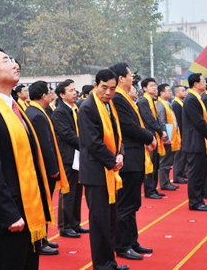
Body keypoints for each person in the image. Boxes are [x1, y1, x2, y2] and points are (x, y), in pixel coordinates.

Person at [0, 46, 54, 270]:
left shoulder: (15, 108)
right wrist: (9, 214)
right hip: (9, 219)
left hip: (29, 212)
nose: (15, 64)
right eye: (7, 61)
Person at [78, 69, 129, 270]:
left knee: (110, 221)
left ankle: (110, 261)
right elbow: (93, 142)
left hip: (109, 171)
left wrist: (121, 154)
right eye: (104, 87)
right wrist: (113, 161)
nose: (108, 92)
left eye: (112, 88)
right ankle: (102, 264)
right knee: (99, 223)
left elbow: (118, 134)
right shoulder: (88, 107)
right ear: (96, 85)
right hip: (96, 173)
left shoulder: (109, 106)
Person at [110, 63, 156, 261]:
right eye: (130, 76)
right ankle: (122, 245)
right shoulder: (118, 98)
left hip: (135, 157)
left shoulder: (125, 98)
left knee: (133, 203)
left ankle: (132, 241)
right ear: (121, 78)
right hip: (128, 159)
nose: (133, 79)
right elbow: (129, 127)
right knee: (126, 204)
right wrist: (149, 137)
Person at [25, 80, 70, 256]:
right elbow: (45, 146)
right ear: (44, 96)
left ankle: (42, 237)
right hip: (43, 169)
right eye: (50, 92)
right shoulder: (36, 115)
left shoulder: (34, 111)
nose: (51, 95)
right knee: (43, 203)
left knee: (44, 203)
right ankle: (40, 240)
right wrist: (53, 169)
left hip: (40, 168)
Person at [52, 79, 89, 238]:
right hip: (68, 156)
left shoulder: (75, 109)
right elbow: (67, 134)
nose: (75, 93)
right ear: (61, 94)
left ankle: (75, 223)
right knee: (67, 191)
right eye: (71, 90)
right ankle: (64, 226)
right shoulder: (60, 111)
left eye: (75, 90)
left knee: (77, 191)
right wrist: (85, 145)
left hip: (78, 155)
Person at [182, 73, 207, 211]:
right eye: (203, 81)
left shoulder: (196, 98)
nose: (205, 83)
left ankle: (200, 199)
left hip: (198, 141)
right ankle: (195, 202)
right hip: (194, 142)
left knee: (200, 172)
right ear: (195, 84)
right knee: (195, 174)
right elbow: (198, 121)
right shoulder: (191, 99)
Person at [138, 78, 168, 199]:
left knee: (156, 164)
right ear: (144, 88)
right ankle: (149, 190)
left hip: (155, 134)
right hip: (149, 135)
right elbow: (149, 119)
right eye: (151, 86)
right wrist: (160, 131)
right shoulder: (144, 101)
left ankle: (154, 188)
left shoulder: (152, 101)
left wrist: (161, 131)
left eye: (155, 86)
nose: (154, 88)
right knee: (150, 164)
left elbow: (157, 119)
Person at [156, 83, 181, 191]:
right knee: (165, 162)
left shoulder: (167, 103)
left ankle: (166, 182)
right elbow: (162, 121)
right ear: (161, 93)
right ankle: (164, 183)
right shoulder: (160, 104)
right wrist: (165, 137)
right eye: (168, 91)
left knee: (168, 161)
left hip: (171, 135)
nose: (170, 93)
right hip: (167, 136)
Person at [171, 85, 188, 184]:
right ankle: (177, 176)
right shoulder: (176, 105)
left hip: (183, 134)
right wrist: (181, 135)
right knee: (179, 157)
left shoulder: (181, 103)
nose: (185, 92)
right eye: (182, 91)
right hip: (179, 134)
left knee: (183, 156)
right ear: (176, 93)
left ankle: (181, 174)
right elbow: (178, 122)